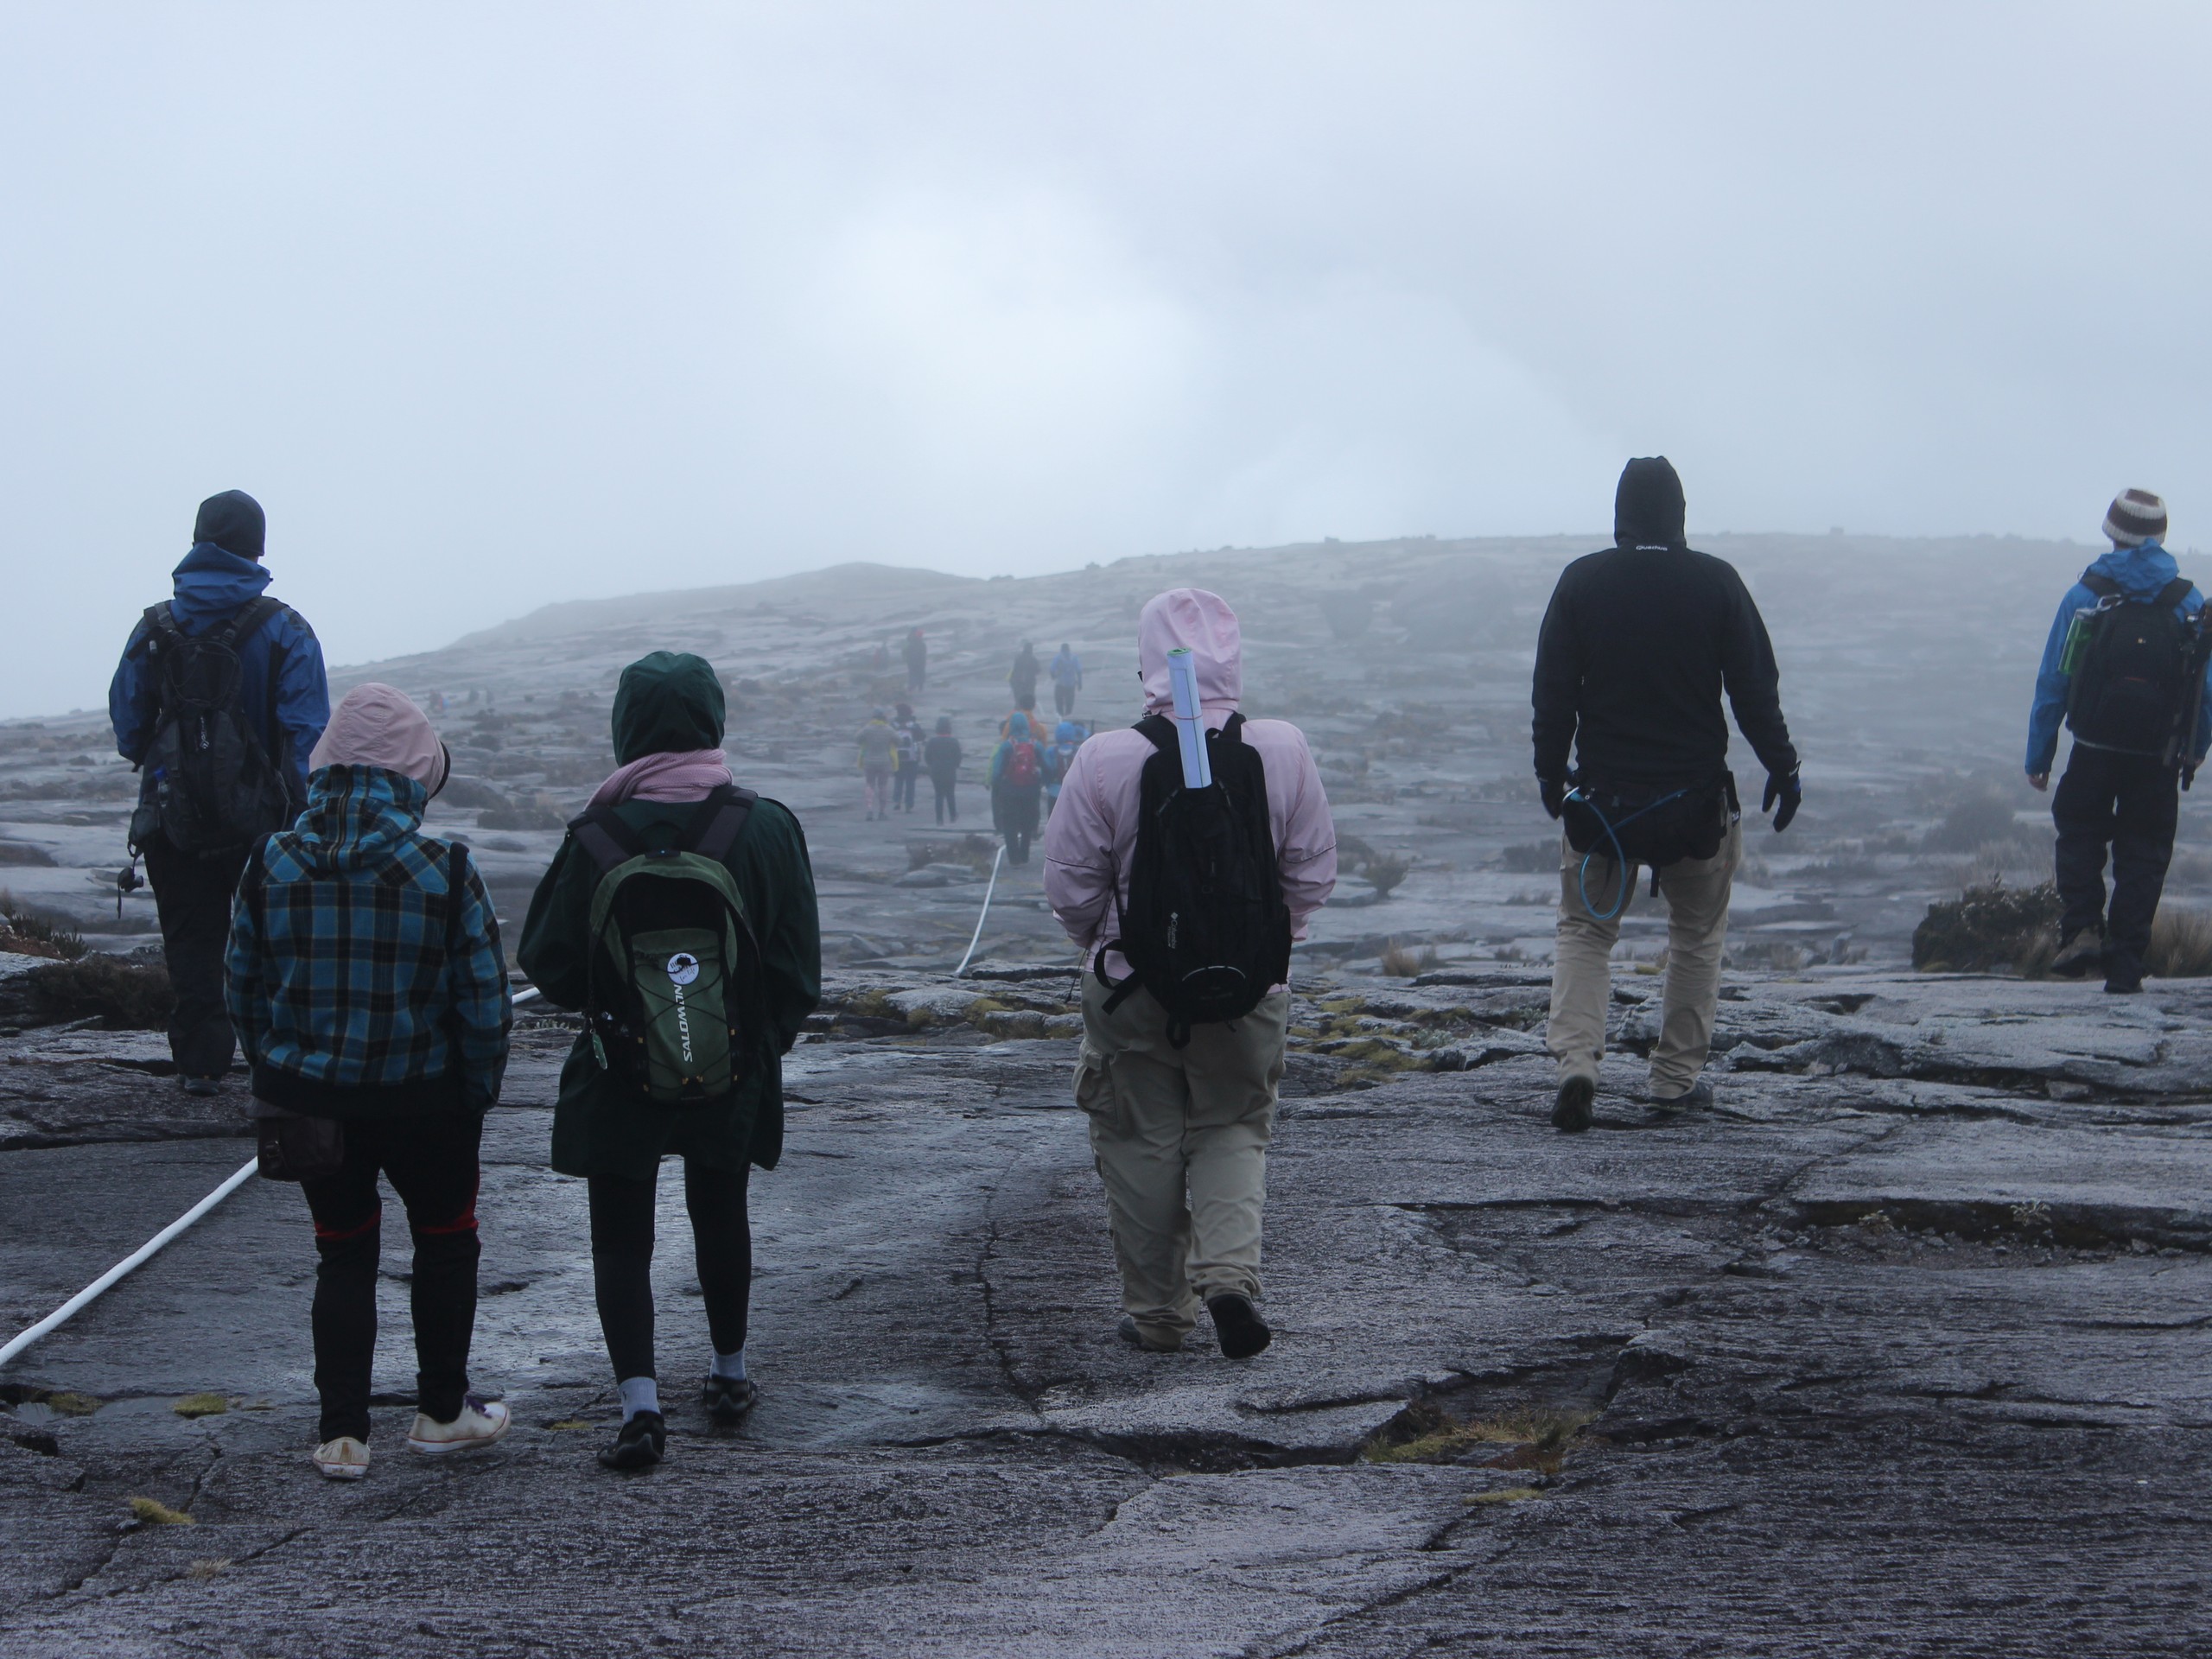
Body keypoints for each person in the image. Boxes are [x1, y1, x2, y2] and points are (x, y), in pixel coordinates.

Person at [518, 652, 821, 1472]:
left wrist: (620, 1014)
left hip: (619, 1069)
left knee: (621, 1240)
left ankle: (640, 1408)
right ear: (713, 720)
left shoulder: (593, 834)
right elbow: (798, 969)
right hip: (730, 1070)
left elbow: (545, 961)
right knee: (720, 1212)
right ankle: (728, 1376)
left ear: (627, 728)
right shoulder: (763, 824)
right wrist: (753, 1045)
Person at [224, 683, 512, 1481]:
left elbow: (241, 988)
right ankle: (443, 1414)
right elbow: (483, 1002)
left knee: (342, 1255)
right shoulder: (444, 866)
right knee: (446, 1243)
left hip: (313, 1104)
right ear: (417, 771)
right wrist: (477, 1090)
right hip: (427, 1102)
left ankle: (343, 1436)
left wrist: (278, 1070)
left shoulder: (269, 861)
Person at [1043, 589, 1336, 1358]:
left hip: (1132, 988)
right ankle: (1230, 1281)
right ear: (1234, 659)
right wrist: (1269, 948)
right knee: (1233, 1126)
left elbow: (1072, 886)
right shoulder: (1283, 748)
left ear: (1147, 659)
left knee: (1139, 1140)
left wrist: (1105, 948)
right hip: (1249, 993)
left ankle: (1160, 1317)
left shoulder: (1106, 758)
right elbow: (1310, 873)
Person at [1532, 456, 1801, 1134]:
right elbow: (1754, 694)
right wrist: (1783, 767)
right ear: (1680, 517)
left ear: (1619, 516)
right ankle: (1674, 1080)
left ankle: (1576, 1066)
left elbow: (1553, 693)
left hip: (1602, 808)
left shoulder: (1582, 583)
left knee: (1586, 931)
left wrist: (1547, 773)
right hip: (1695, 809)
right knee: (1695, 936)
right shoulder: (1716, 583)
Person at [111, 490, 330, 1097]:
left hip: (171, 817)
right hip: (262, 820)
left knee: (191, 937)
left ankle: (201, 1068)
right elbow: (304, 728)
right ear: (256, 548)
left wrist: (166, 769)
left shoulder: (154, 626)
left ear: (197, 542)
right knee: (271, 938)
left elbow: (129, 723)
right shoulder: (284, 627)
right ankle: (277, 1067)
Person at [2027, 489, 2211, 993]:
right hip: (2158, 756)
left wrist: (2040, 753)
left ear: (2112, 533)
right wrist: (2196, 745)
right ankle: (2127, 960)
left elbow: (2055, 679)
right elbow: (2205, 686)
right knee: (2145, 851)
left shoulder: (2086, 596)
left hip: (2092, 747)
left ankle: (2083, 929)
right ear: (2161, 535)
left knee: (2081, 833)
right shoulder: (2188, 602)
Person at [990, 710, 1046, 864]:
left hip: (1009, 790)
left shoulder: (1007, 745)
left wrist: (996, 785)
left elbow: (997, 771)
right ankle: (1024, 855)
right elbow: (1046, 765)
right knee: (1027, 823)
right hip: (1031, 790)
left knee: (1009, 824)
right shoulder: (1036, 744)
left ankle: (1014, 859)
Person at [857, 708, 899, 821]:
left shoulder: (866, 729)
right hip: (884, 761)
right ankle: (882, 811)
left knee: (870, 784)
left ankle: (870, 809)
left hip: (869, 761)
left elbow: (857, 739)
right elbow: (898, 740)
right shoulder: (889, 729)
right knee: (883, 786)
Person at [924, 716, 963, 824]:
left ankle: (939, 819)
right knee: (950, 793)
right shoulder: (954, 741)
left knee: (939, 794)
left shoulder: (932, 742)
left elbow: (927, 757)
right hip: (950, 770)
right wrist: (955, 765)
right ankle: (953, 815)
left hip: (936, 770)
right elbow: (958, 757)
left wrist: (932, 766)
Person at [1043, 719, 1085, 818]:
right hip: (1074, 793)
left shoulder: (1051, 752)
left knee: (1053, 819)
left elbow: (1046, 770)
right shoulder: (1079, 750)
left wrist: (1047, 784)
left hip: (1054, 793)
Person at [892, 702, 923, 814]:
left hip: (897, 756)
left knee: (898, 779)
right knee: (911, 781)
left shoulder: (894, 724)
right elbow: (921, 737)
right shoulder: (913, 724)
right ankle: (909, 804)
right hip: (912, 757)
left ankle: (897, 801)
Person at [1049, 643, 1084, 718]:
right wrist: (1080, 683)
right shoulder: (1074, 658)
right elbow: (1079, 671)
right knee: (1069, 704)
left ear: (1061, 649)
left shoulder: (1058, 657)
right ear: (1069, 649)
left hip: (1060, 684)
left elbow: (1052, 669)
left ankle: (1060, 717)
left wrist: (1053, 676)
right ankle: (1068, 717)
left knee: (1059, 703)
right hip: (1071, 685)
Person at [1008, 641, 1040, 713]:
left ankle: (1016, 716)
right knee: (1029, 700)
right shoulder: (1033, 659)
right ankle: (1027, 716)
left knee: (1018, 700)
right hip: (1029, 683)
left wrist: (1012, 681)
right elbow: (1038, 670)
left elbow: (1014, 669)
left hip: (1018, 682)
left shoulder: (1018, 658)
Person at [903, 627, 928, 695]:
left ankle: (913, 687)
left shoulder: (911, 638)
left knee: (913, 673)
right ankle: (918, 687)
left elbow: (907, 646)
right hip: (917, 659)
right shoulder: (919, 641)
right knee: (919, 673)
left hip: (913, 659)